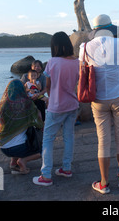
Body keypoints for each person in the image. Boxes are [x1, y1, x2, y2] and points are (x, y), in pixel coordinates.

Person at [79, 14, 119, 194]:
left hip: (98, 99)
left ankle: (103, 183)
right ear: (110, 28)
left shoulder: (85, 47)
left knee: (103, 141)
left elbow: (83, 71)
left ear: (95, 30)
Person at [33, 32, 80, 186]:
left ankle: (46, 175)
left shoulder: (52, 62)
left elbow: (47, 86)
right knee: (69, 136)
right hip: (72, 104)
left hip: (56, 106)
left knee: (48, 139)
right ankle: (66, 168)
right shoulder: (77, 62)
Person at [0, 79, 44, 174]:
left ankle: (13, 163)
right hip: (19, 147)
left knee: (14, 134)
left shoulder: (2, 107)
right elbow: (39, 124)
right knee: (44, 149)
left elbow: (0, 127)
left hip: (2, 146)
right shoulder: (27, 105)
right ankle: (23, 161)